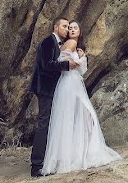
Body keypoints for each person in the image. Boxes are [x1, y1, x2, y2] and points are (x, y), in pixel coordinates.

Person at [40, 21, 121, 176]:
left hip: (74, 83)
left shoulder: (75, 46)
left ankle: (78, 153)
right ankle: (79, 155)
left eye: (75, 27)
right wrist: (79, 60)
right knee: (84, 116)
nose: (71, 29)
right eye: (69, 28)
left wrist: (82, 56)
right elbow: (62, 63)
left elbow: (81, 71)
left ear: (80, 30)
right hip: (70, 84)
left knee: (78, 118)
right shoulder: (70, 43)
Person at [29, 17, 78, 177]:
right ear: (56, 27)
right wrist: (66, 65)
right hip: (45, 89)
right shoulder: (48, 42)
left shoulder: (59, 43)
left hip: (52, 89)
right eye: (64, 26)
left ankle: (47, 161)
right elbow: (46, 65)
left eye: (68, 26)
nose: (66, 29)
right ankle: (36, 166)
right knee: (44, 124)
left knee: (51, 124)